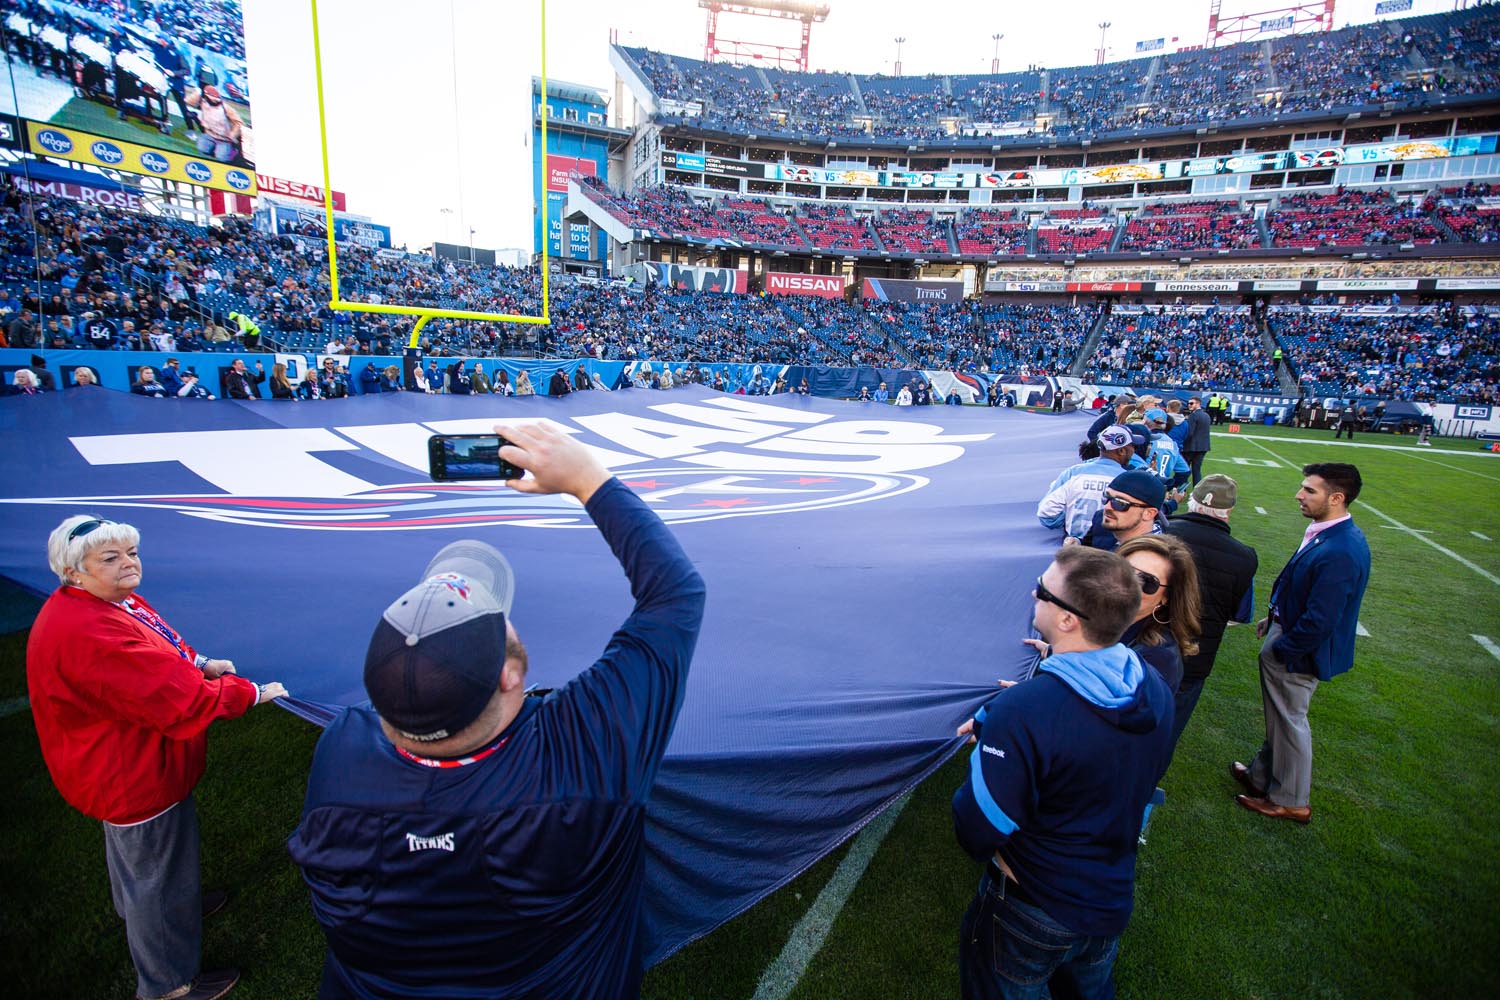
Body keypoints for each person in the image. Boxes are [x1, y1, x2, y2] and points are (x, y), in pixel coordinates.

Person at [287, 421, 706, 999]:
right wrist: (588, 480)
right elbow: (675, 594)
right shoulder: (581, 752)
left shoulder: (342, 754)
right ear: (511, 675)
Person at [28, 514, 288, 1000]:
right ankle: (168, 984)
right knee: (154, 868)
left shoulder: (104, 602)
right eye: (110, 558)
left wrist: (200, 663)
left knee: (141, 861)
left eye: (130, 553)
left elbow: (164, 646)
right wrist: (246, 693)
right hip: (130, 772)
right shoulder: (90, 630)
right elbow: (177, 697)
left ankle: (163, 907)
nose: (128, 564)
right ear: (73, 571)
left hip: (115, 763)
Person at [953, 546, 1173, 1000]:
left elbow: (978, 828)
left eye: (1041, 591)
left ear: (1069, 619)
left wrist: (1000, 734)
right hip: (1108, 897)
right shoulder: (1153, 686)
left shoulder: (1026, 711)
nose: (1033, 594)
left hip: (1030, 908)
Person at [1233, 463, 1370, 824]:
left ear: (1336, 498)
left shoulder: (1341, 548)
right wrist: (1276, 616)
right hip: (1289, 633)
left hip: (1299, 650)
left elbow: (1323, 618)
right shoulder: (1328, 533)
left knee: (1289, 719)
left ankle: (1291, 800)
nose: (1299, 494)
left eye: (1310, 490)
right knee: (1280, 716)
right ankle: (1262, 777)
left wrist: (1285, 647)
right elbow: (1302, 587)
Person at [1165, 475, 1258, 752]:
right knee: (1168, 731)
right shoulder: (1244, 556)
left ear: (1192, 501)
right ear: (1228, 512)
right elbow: (1239, 615)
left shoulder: (1164, 533)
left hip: (1148, 642)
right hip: (1195, 654)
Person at [1114, 534, 1201, 695]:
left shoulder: (1157, 659)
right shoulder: (1095, 619)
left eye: (1147, 581)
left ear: (1166, 597)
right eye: (1123, 570)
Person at [1038, 427, 1143, 543]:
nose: (1134, 450)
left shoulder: (1072, 473)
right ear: (1121, 451)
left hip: (1074, 547)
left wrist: (1069, 518)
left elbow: (1046, 513)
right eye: (1133, 446)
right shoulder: (1127, 479)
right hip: (1112, 552)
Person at [1078, 469, 1166, 552]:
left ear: (1149, 513)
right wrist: (1076, 543)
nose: (1107, 507)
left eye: (1120, 503)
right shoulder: (1103, 521)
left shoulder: (1152, 560)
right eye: (1106, 497)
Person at [184, 85, 243, 162]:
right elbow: (188, 102)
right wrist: (198, 92)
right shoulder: (203, 102)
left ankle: (233, 152)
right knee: (202, 149)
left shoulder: (225, 108)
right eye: (214, 97)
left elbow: (238, 122)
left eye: (218, 97)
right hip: (209, 135)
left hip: (224, 139)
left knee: (222, 158)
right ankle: (213, 150)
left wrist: (233, 134)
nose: (217, 99)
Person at [1180, 396, 1212, 485]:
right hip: (1203, 446)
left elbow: (1190, 432)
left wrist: (1183, 442)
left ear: (1198, 404)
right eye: (1188, 403)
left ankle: (1182, 489)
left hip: (1191, 446)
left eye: (1191, 403)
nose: (1189, 405)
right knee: (1196, 470)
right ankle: (1197, 491)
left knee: (1185, 469)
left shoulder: (1193, 415)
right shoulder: (1206, 415)